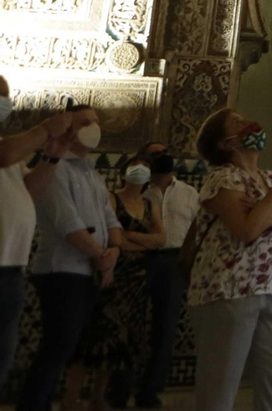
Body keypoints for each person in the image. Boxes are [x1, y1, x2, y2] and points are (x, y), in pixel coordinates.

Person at [186, 108, 272, 411]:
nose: (249, 123)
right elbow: (248, 230)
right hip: (229, 290)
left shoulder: (267, 178)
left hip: (271, 286)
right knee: (221, 381)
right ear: (225, 143)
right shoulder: (224, 179)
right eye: (237, 123)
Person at [18, 106, 120, 411]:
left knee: (69, 347)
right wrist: (101, 256)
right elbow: (68, 225)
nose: (93, 128)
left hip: (88, 270)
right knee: (56, 347)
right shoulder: (54, 169)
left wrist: (113, 251)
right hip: (61, 271)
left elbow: (110, 219)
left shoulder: (92, 174)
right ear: (66, 128)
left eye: (96, 123)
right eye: (85, 122)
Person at [0, 85, 90, 393]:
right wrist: (45, 129)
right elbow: (6, 154)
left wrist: (51, 157)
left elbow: (29, 190)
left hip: (11, 270)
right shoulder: (7, 149)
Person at [69, 156, 165, 411]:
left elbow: (160, 240)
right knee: (96, 335)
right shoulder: (112, 198)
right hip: (113, 275)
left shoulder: (149, 203)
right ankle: (72, 397)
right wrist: (139, 241)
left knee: (121, 342)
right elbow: (115, 240)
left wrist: (130, 237)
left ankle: (99, 397)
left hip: (137, 281)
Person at [115, 142, 199, 408]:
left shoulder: (189, 193)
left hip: (173, 263)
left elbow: (196, 230)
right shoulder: (139, 191)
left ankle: (150, 391)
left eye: (166, 153)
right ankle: (118, 390)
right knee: (128, 326)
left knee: (165, 328)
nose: (163, 158)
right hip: (138, 262)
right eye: (156, 154)